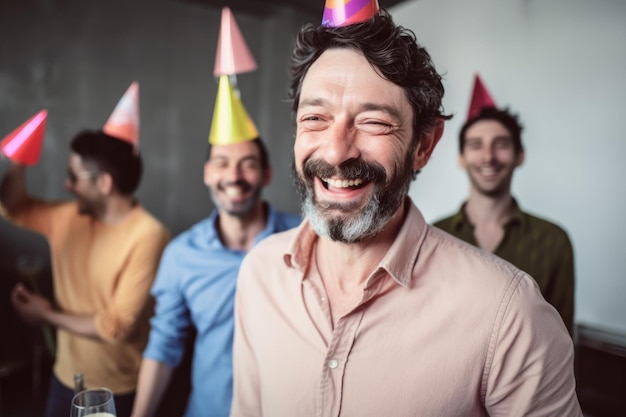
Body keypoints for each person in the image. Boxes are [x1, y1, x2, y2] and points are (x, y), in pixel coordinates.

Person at [229, 4, 583, 417]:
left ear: (424, 145)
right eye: (315, 118)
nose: (336, 151)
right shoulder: (260, 274)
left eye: (374, 122)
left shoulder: (509, 314)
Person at [130, 75, 300, 417]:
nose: (234, 176)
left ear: (266, 175)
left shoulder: (305, 237)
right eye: (222, 163)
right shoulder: (181, 255)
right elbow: (164, 346)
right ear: (208, 173)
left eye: (248, 164)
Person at [1, 129, 170, 417]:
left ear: (104, 183)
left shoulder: (149, 236)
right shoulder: (68, 218)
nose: (67, 185)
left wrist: (46, 315)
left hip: (115, 390)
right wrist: (21, 157)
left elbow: (115, 326)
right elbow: (12, 206)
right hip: (64, 379)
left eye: (74, 177)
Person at [434, 101, 575, 335]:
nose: (488, 156)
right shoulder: (435, 235)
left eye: (500, 145)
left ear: (519, 156)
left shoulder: (554, 240)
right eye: (476, 145)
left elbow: (561, 339)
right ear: (461, 158)